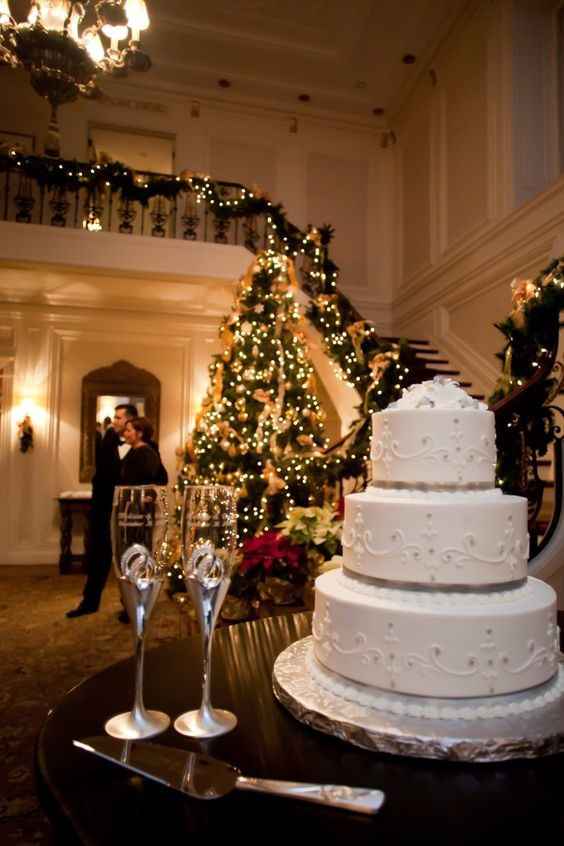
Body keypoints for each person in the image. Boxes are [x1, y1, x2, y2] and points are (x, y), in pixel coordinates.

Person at [66, 403, 137, 618]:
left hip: (127, 511)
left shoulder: (143, 444)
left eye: (118, 417)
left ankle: (131, 606)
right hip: (103, 507)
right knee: (98, 556)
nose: (113, 421)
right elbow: (102, 473)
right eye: (114, 417)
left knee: (129, 559)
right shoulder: (107, 439)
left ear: (129, 420)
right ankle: (90, 602)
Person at [120, 417, 168, 485]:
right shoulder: (134, 450)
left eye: (128, 431)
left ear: (140, 433)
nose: (124, 434)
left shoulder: (146, 453)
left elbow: (145, 481)